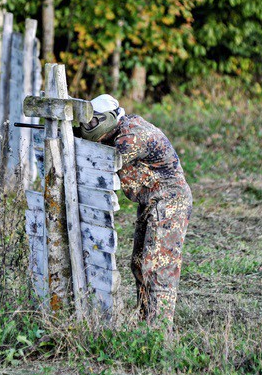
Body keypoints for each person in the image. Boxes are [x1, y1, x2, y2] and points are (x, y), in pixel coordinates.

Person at [79, 94, 193, 326]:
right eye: (85, 123)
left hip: (170, 201)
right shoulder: (119, 130)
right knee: (140, 263)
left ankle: (159, 332)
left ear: (109, 118)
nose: (87, 127)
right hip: (152, 201)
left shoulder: (132, 134)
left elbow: (106, 160)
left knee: (158, 267)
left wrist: (76, 142)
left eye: (93, 122)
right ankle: (145, 323)